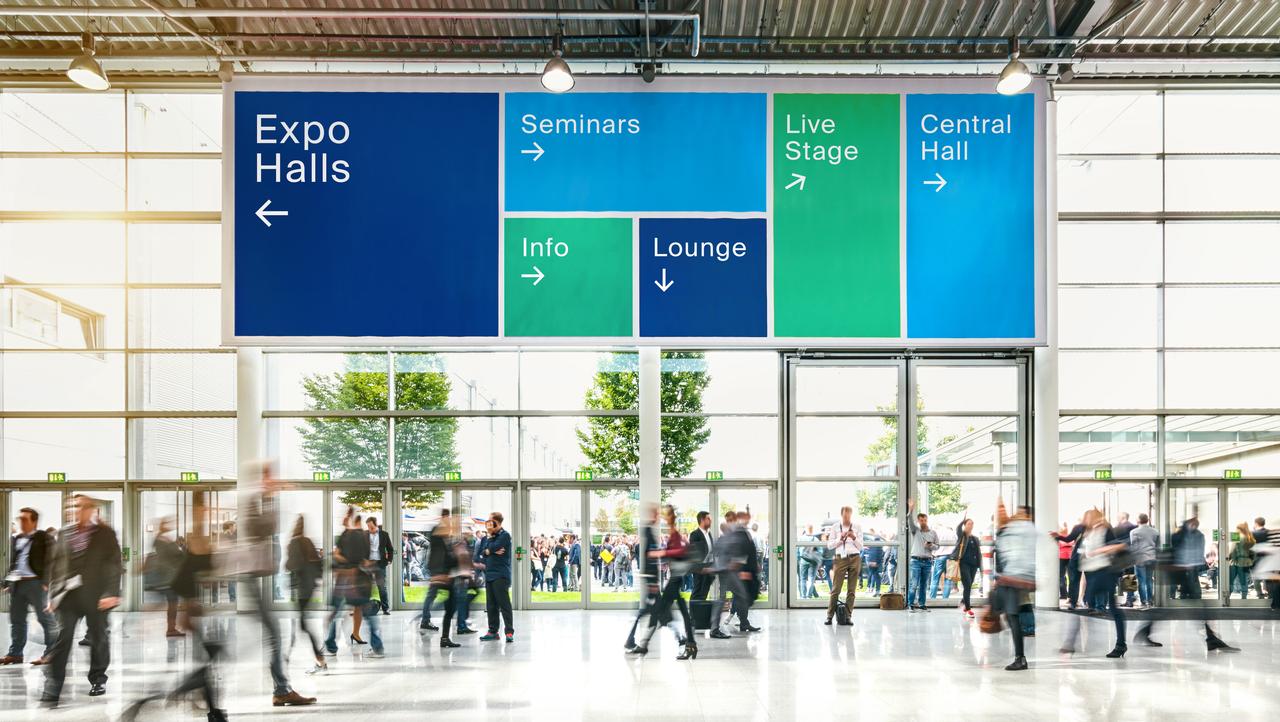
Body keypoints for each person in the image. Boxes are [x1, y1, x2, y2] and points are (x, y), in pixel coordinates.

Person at [123, 492, 226, 722]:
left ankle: (211, 710)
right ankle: (160, 699)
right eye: (203, 508)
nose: (206, 512)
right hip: (193, 610)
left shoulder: (196, 542)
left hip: (194, 609)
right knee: (207, 663)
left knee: (207, 664)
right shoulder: (196, 539)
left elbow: (200, 574)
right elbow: (192, 576)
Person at [40, 495, 121, 705]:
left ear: (91, 509)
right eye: (72, 507)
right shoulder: (64, 533)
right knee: (63, 638)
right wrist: (53, 596)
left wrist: (111, 592)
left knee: (98, 637)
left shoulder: (105, 533)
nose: (75, 510)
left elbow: (114, 564)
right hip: (69, 597)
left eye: (80, 506)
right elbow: (55, 565)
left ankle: (98, 679)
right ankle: (53, 684)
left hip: (97, 596)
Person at [1134, 513, 1239, 652]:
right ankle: (1211, 639)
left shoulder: (1198, 535)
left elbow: (1196, 555)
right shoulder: (1179, 535)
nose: (1196, 520)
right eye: (1192, 518)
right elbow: (1171, 554)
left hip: (1189, 572)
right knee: (1183, 607)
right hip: (1179, 572)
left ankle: (1211, 638)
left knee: (1196, 606)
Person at [630, 505, 697, 660]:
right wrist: (665, 556)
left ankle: (685, 643)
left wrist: (663, 552)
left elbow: (681, 551)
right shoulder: (672, 533)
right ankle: (687, 644)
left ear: (669, 518)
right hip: (675, 579)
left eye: (664, 516)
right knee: (670, 613)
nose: (662, 518)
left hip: (675, 580)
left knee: (660, 611)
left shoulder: (674, 533)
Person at [1062, 509, 1128, 659]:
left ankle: (1070, 643)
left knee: (1101, 607)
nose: (1085, 520)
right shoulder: (1088, 533)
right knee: (1093, 606)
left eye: (1088, 517)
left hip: (1105, 572)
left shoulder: (1106, 530)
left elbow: (1121, 546)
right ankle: (1120, 644)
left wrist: (1099, 551)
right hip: (1093, 574)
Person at [2, 507, 56, 667]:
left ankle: (51, 652)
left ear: (34, 521)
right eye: (20, 519)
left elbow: (52, 560)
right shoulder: (16, 538)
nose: (21, 522)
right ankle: (15, 654)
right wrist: (6, 583)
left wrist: (46, 582)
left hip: (36, 583)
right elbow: (15, 563)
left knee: (44, 618)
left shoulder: (43, 537)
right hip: (18, 583)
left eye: (25, 519)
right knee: (17, 620)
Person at [992, 499, 1036, 671]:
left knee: (1013, 616)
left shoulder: (1016, 531)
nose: (1001, 512)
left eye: (1003, 509)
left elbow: (1018, 557)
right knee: (1011, 616)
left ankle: (1020, 658)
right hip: (1006, 579)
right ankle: (1020, 656)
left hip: (1011, 579)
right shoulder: (1004, 531)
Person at [325, 509, 376, 654]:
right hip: (355, 579)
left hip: (347, 578)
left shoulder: (349, 536)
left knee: (338, 611)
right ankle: (373, 643)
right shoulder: (357, 536)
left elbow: (337, 555)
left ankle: (333, 642)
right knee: (360, 610)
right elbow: (366, 560)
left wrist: (345, 561)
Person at [285, 515, 327, 675]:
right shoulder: (307, 542)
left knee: (301, 625)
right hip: (309, 588)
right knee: (300, 624)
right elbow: (319, 563)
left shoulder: (295, 543)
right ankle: (318, 659)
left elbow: (291, 565)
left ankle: (320, 660)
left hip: (301, 588)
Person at [625, 505, 662, 650]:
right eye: (657, 514)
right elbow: (650, 556)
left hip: (651, 577)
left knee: (657, 610)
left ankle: (640, 641)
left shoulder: (648, 530)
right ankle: (635, 640)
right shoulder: (648, 530)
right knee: (650, 610)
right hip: (651, 577)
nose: (658, 517)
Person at [480, 512, 514, 642]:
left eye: (491, 521)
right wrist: (490, 550)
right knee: (491, 605)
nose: (488, 523)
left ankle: (509, 632)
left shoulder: (504, 535)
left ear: (498, 523)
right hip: (489, 575)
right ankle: (493, 631)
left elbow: (491, 548)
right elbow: (481, 553)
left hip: (501, 575)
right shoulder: (486, 537)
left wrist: (490, 550)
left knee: (504, 604)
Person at [824, 506, 862, 626]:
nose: (847, 517)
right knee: (836, 589)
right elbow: (829, 545)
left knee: (852, 590)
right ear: (841, 514)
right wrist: (839, 540)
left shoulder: (857, 527)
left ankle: (848, 616)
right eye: (845, 515)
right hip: (840, 558)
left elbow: (861, 546)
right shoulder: (835, 527)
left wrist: (853, 537)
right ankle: (829, 616)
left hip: (855, 557)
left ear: (851, 514)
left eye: (849, 514)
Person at [421, 509, 454, 631]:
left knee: (434, 595)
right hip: (437, 569)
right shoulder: (437, 530)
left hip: (441, 569)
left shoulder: (444, 531)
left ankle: (425, 619)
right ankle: (424, 619)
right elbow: (439, 551)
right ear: (444, 517)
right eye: (447, 517)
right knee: (432, 595)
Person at [906, 499, 939, 612]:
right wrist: (911, 509)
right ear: (918, 521)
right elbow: (909, 520)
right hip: (916, 561)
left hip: (928, 561)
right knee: (914, 584)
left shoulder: (933, 533)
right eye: (921, 520)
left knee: (924, 585)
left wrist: (930, 545)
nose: (923, 522)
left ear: (927, 520)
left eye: (925, 520)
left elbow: (937, 546)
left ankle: (922, 604)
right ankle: (911, 604)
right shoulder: (916, 530)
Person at [1052, 516, 1087, 609]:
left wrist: (1057, 536)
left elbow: (1068, 539)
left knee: (1074, 580)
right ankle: (1089, 602)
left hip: (1077, 557)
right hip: (1089, 557)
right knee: (1089, 580)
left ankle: (1073, 602)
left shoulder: (1079, 527)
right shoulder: (1094, 528)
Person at [952, 517, 982, 617]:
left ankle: (963, 601)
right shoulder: (962, 536)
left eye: (972, 524)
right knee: (968, 585)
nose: (971, 525)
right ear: (965, 525)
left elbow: (978, 553)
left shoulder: (975, 538)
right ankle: (968, 609)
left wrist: (980, 566)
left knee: (969, 585)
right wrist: (962, 520)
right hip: (964, 564)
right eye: (969, 523)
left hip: (974, 565)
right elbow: (958, 528)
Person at [1129, 513, 1158, 608]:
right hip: (1152, 557)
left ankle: (1144, 601)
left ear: (1138, 521)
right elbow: (1157, 545)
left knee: (1141, 581)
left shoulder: (1134, 532)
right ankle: (1150, 600)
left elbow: (1134, 547)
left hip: (1140, 558)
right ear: (1148, 520)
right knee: (1150, 580)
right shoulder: (1155, 531)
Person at [366, 517, 394, 615]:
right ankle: (363, 609)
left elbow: (390, 549)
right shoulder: (365, 534)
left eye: (371, 527)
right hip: (368, 564)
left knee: (382, 587)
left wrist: (389, 560)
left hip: (380, 564)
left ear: (376, 524)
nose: (370, 529)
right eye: (368, 527)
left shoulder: (384, 534)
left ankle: (385, 608)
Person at [688, 511, 715, 601]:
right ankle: (692, 614)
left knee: (704, 594)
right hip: (700, 570)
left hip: (709, 568)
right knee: (697, 593)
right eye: (708, 519)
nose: (711, 520)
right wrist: (700, 569)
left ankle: (700, 613)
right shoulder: (695, 534)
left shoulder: (709, 534)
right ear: (702, 520)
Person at [1228, 522, 1256, 600]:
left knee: (1231, 580)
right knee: (1243, 580)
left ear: (1238, 529)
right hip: (1245, 562)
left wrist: (1229, 558)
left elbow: (1232, 550)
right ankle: (1244, 597)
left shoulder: (1235, 536)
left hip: (1235, 562)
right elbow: (1253, 552)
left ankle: (1227, 596)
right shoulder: (1249, 538)